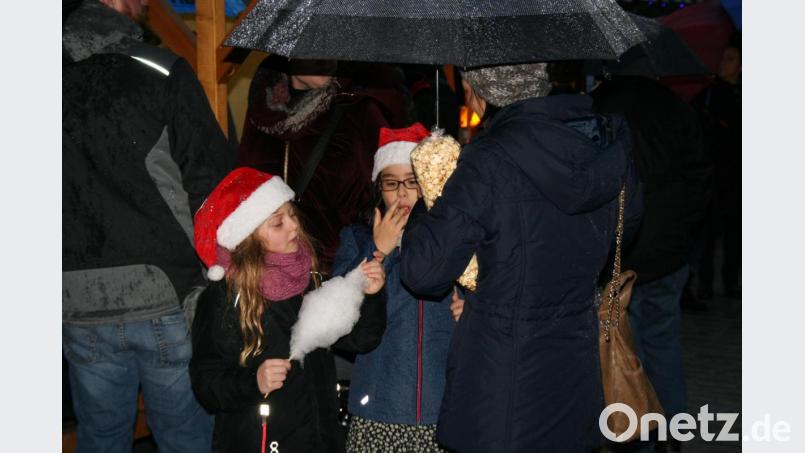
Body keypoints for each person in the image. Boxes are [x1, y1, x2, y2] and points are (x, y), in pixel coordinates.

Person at [400, 63, 642, 452]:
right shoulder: (605, 146)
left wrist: (428, 204)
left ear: (477, 93)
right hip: (576, 365)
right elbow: (625, 226)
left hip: (502, 378)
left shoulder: (486, 162)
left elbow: (423, 271)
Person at [62, 1, 232, 451]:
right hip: (166, 292)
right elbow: (212, 186)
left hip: (75, 296)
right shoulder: (161, 70)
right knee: (186, 440)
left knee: (100, 438)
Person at [189, 167, 387, 452]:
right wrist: (252, 382)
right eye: (277, 223)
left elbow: (359, 340)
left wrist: (371, 297)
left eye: (292, 215)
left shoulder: (310, 278)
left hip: (319, 436)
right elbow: (206, 382)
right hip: (258, 440)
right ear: (248, 238)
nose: (294, 226)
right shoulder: (226, 296)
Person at [592, 75, 712, 452]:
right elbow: (701, 174)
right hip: (669, 251)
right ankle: (673, 430)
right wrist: (684, 233)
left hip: (623, 251)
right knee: (663, 340)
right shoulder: (675, 106)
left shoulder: (601, 106)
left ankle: (639, 435)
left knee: (625, 345)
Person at [331, 124, 460, 452]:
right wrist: (377, 249)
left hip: (444, 403)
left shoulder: (452, 233)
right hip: (379, 404)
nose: (402, 193)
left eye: (412, 181)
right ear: (378, 187)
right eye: (391, 183)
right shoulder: (357, 237)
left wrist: (471, 307)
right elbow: (335, 313)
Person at [238, 56, 392, 275]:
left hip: (339, 268)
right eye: (313, 49)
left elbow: (390, 188)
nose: (326, 58)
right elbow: (243, 183)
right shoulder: (262, 109)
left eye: (332, 47)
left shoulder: (358, 108)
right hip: (271, 268)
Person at [691, 35, 742, 301]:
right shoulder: (709, 93)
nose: (724, 63)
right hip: (715, 174)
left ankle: (731, 282)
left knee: (734, 232)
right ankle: (706, 285)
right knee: (709, 234)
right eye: (722, 58)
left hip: (736, 175)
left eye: (731, 59)